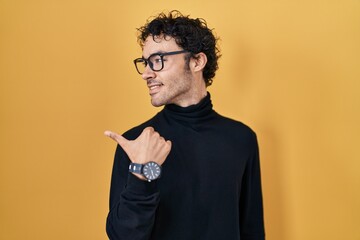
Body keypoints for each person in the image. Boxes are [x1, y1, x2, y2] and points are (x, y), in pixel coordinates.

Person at [104, 10, 265, 240]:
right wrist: (142, 172)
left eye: (158, 60)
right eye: (145, 62)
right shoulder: (137, 143)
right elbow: (122, 236)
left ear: (197, 61)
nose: (146, 74)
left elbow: (251, 230)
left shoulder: (241, 139)